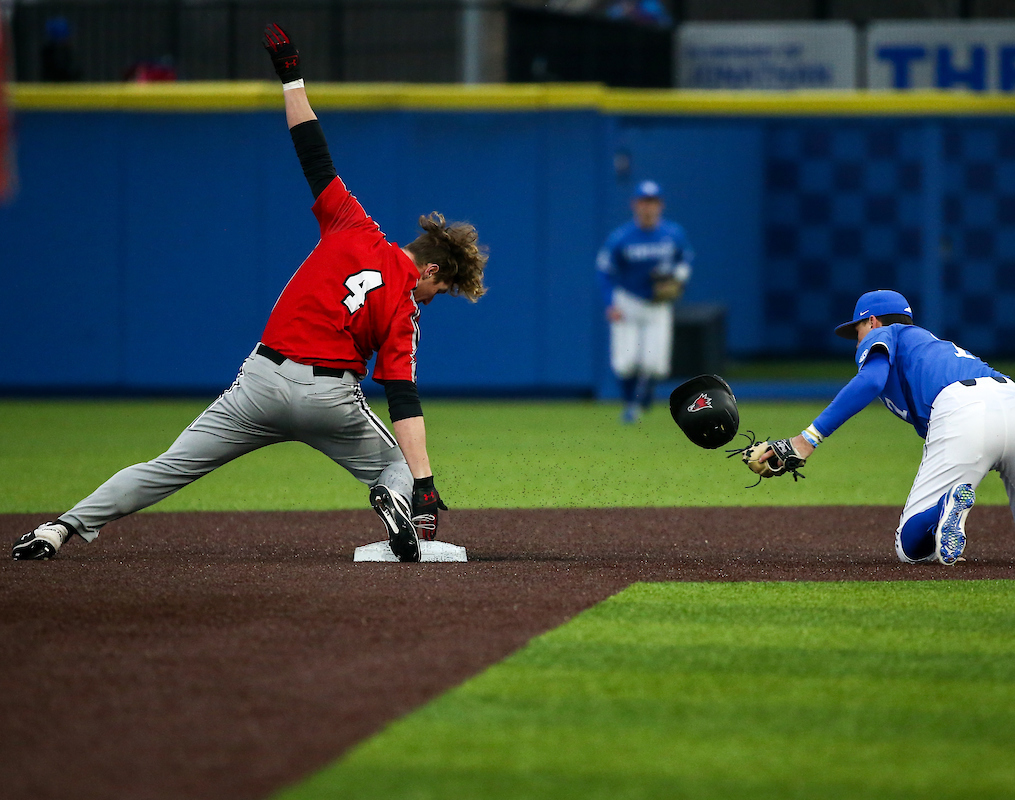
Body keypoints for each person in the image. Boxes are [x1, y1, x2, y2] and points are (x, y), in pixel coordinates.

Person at [12, 24, 488, 563]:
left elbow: (314, 154)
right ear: (429, 270)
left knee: (167, 467)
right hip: (328, 399)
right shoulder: (404, 302)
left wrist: (292, 78)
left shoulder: (353, 225)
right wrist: (423, 484)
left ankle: (60, 528)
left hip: (259, 384)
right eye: (442, 287)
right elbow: (402, 396)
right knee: (397, 463)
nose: (435, 296)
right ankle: (395, 503)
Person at [743, 289, 1015, 565]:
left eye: (856, 329)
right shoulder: (936, 345)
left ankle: (951, 503)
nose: (856, 338)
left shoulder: (887, 337)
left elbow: (871, 379)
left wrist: (806, 440)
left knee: (910, 546)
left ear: (872, 321)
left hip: (964, 410)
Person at [597, 180, 693, 423]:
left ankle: (644, 395)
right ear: (634, 205)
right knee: (626, 363)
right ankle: (631, 405)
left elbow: (686, 260)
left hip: (658, 305)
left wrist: (678, 278)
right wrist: (610, 302)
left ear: (660, 205)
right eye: (643, 202)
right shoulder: (621, 237)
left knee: (656, 365)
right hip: (628, 301)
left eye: (652, 202)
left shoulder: (673, 234)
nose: (648, 207)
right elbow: (605, 270)